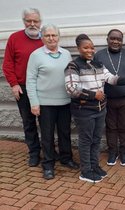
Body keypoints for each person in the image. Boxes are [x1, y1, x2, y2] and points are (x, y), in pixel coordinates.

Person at [65, 34, 125, 183]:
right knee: (86, 141)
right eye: (86, 47)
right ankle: (85, 171)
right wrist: (93, 95)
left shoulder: (98, 64)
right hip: (84, 111)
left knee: (96, 139)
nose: (90, 50)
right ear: (78, 48)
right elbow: (70, 89)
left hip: (100, 110)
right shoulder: (73, 66)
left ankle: (95, 166)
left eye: (92, 47)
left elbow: (111, 79)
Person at [26, 24, 79, 180]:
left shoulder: (66, 54)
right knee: (47, 135)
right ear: (42, 37)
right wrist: (34, 102)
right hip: (45, 103)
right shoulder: (35, 55)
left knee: (65, 132)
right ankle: (48, 165)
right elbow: (30, 80)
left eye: (54, 35)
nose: (51, 38)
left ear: (58, 36)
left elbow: (71, 76)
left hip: (65, 102)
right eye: (47, 35)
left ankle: (66, 158)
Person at [2, 8, 43, 167]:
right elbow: (7, 64)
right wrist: (14, 84)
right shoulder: (14, 38)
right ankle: (34, 153)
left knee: (46, 122)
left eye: (36, 21)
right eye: (29, 20)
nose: (32, 24)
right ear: (24, 21)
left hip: (43, 88)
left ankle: (49, 151)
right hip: (23, 88)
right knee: (28, 122)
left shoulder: (46, 38)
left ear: (40, 22)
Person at [93, 29, 125, 166]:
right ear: (107, 39)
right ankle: (112, 152)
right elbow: (95, 76)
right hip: (107, 98)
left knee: (124, 126)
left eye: (119, 39)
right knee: (110, 127)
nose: (116, 41)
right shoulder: (99, 55)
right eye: (112, 38)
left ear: (122, 41)